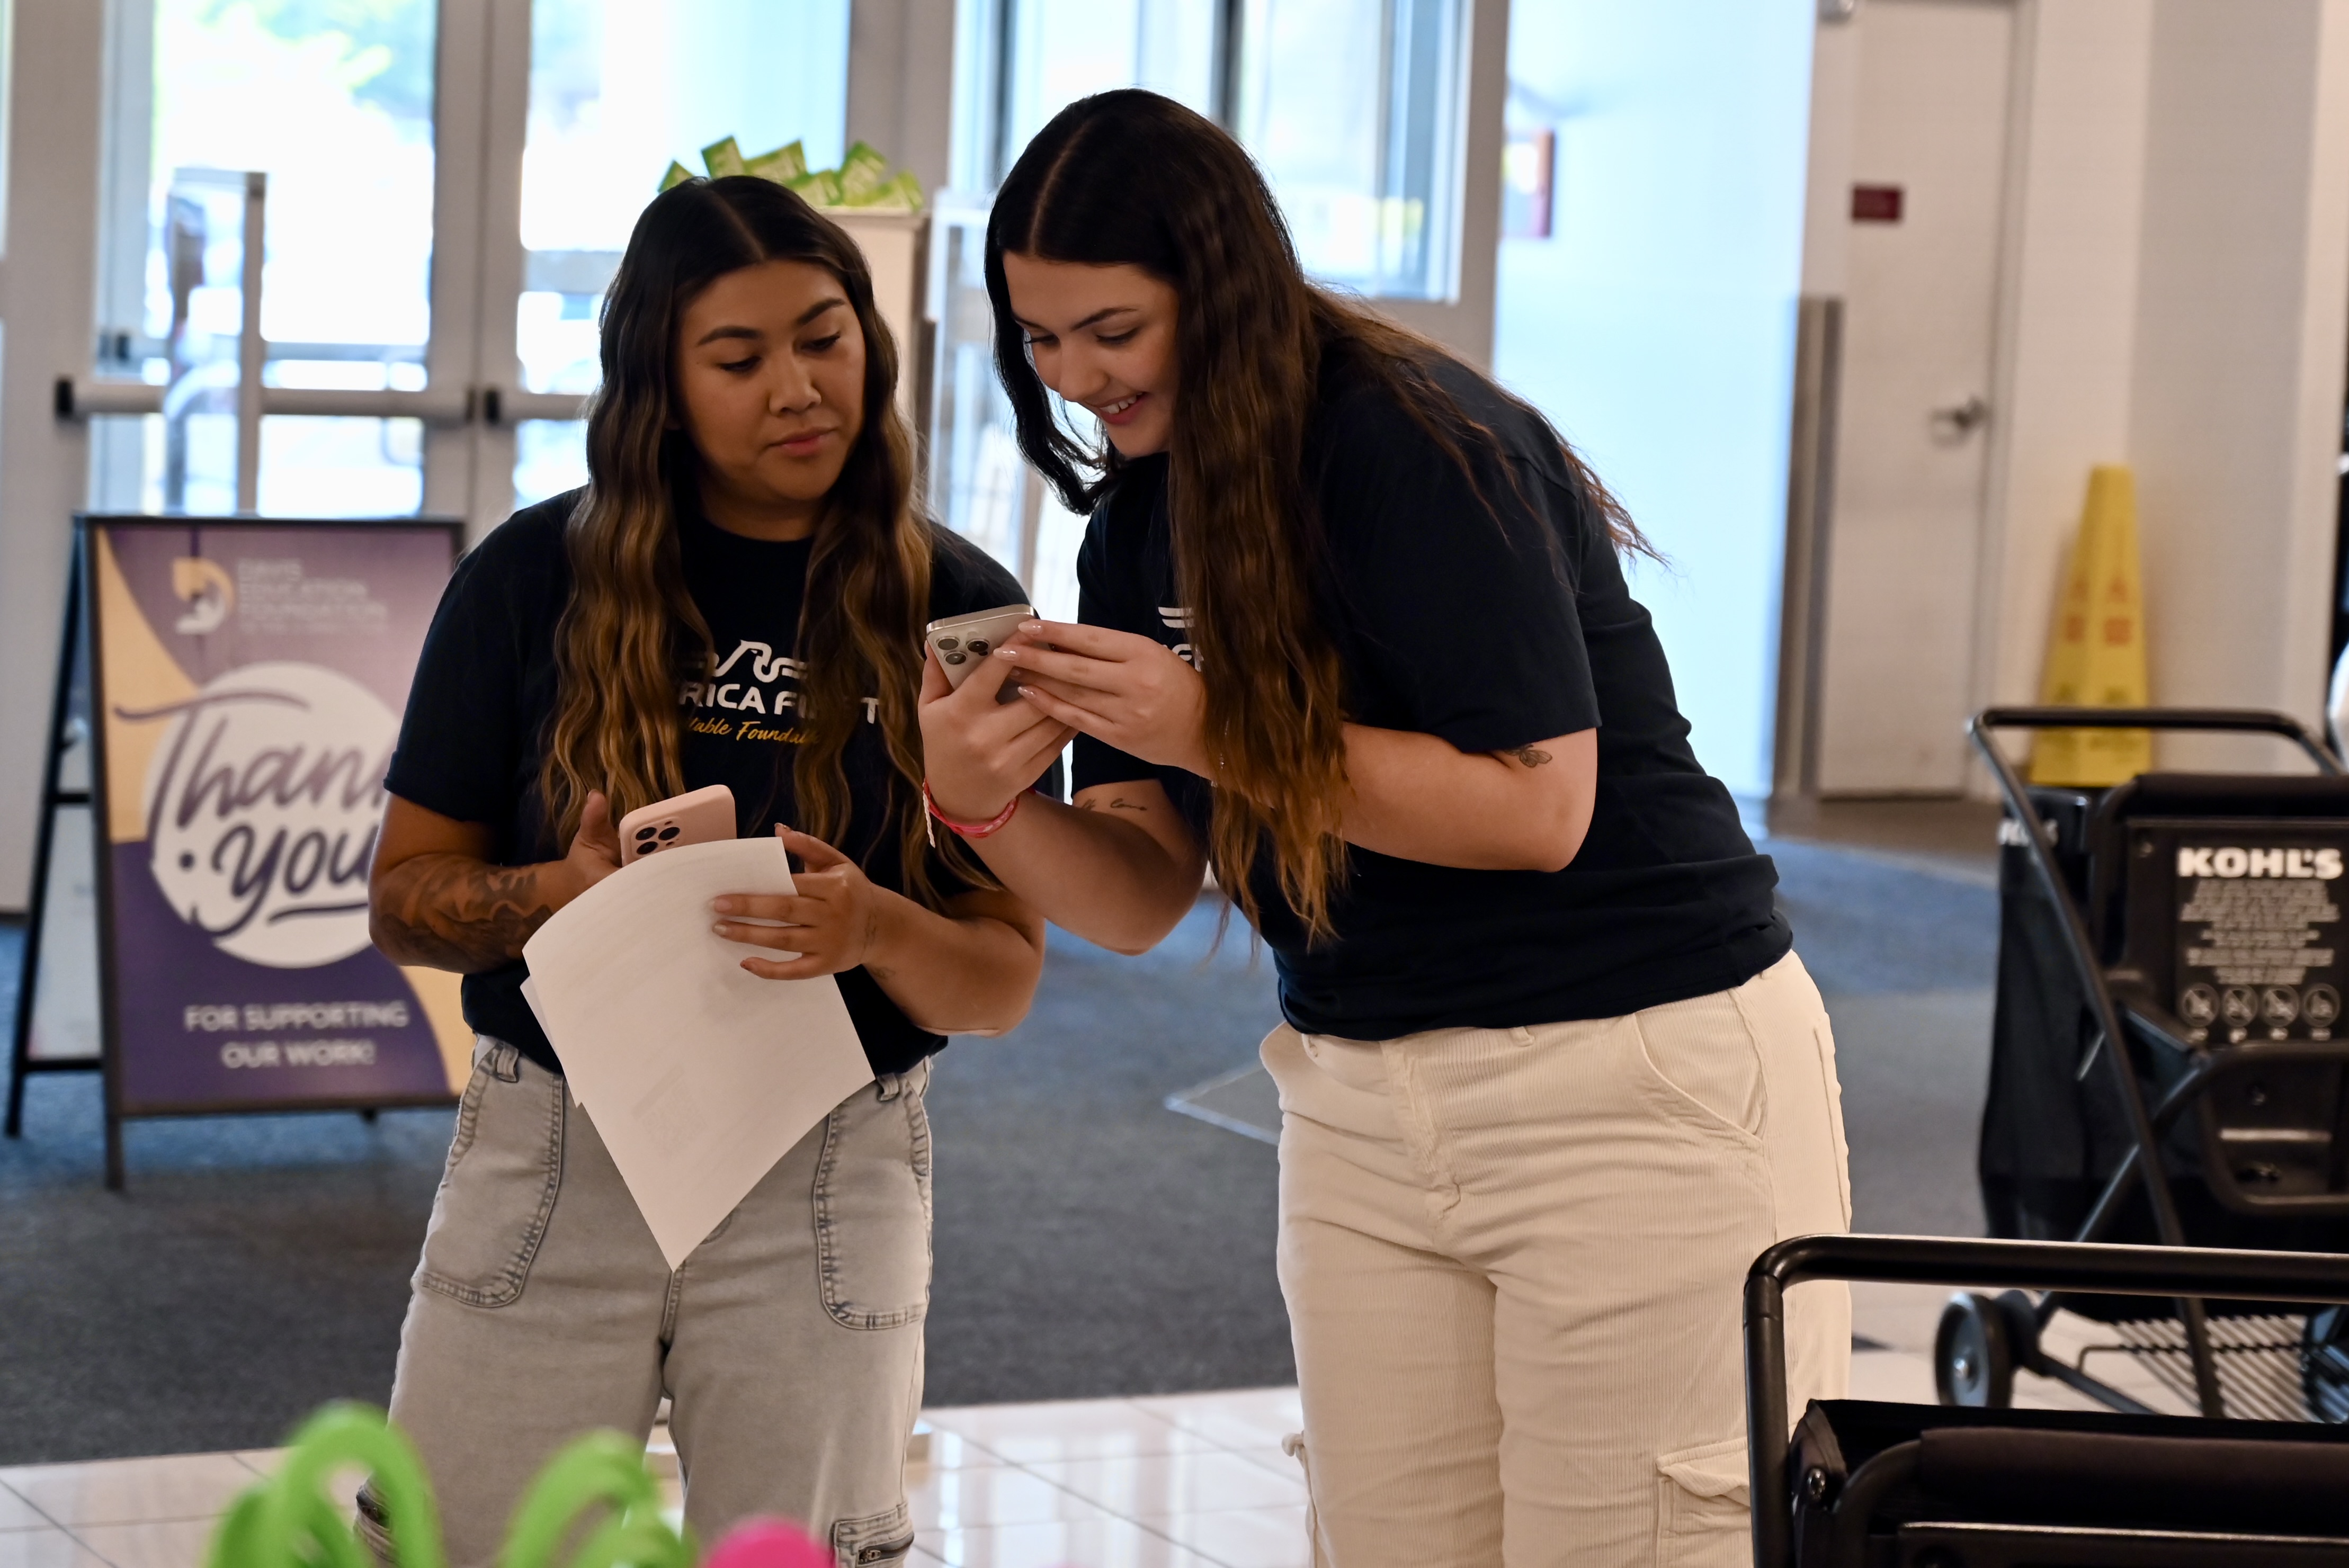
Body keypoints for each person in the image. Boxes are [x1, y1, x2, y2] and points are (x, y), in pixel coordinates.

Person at [916, 90, 1851, 1567]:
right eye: (1038, 339)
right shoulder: (1138, 522)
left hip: (1628, 1071)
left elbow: (1537, 808)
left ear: (1218, 291)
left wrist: (1204, 722)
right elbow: (1141, 890)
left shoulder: (1412, 442)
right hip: (1357, 1095)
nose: (1076, 376)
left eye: (1112, 329)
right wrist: (971, 797)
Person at [365, 175, 1049, 1566]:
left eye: (824, 336)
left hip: (831, 1160)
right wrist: (548, 899)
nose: (799, 389)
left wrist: (870, 927)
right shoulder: (527, 578)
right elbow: (402, 900)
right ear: (659, 389)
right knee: (462, 1546)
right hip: (554, 1141)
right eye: (738, 360)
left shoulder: (967, 610)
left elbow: (1003, 981)